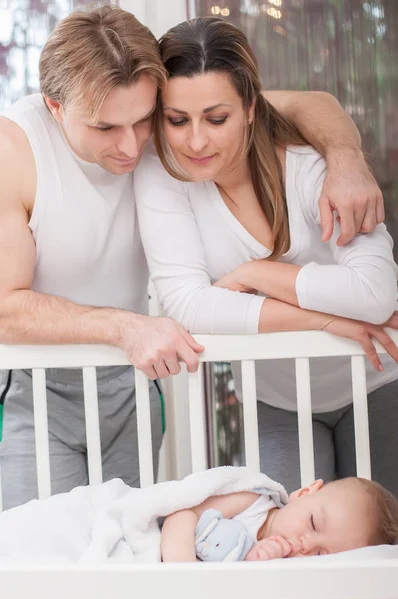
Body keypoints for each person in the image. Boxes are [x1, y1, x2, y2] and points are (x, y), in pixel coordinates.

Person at [0, 6, 387, 510]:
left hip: (129, 386)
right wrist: (126, 327)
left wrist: (346, 157)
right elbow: (4, 306)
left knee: (130, 545)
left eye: (144, 121)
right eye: (105, 128)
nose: (131, 147)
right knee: (40, 557)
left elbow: (304, 103)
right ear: (55, 108)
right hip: (38, 386)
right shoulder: (16, 151)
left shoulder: (177, 132)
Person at [134, 16, 398, 496]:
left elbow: (376, 295)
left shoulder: (309, 166)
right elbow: (190, 306)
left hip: (379, 380)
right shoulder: (162, 175)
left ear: (252, 107)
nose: (195, 142)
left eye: (216, 119)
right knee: (290, 545)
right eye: (177, 120)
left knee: (383, 542)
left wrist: (258, 273)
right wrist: (328, 321)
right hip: (275, 400)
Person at [161, 476, 398, 562]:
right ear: (305, 493)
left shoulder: (291, 570)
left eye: (320, 555)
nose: (306, 545)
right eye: (313, 523)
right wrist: (184, 576)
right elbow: (183, 514)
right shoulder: (252, 502)